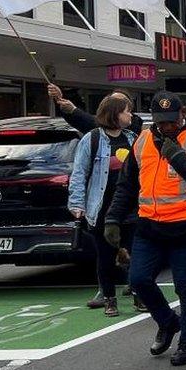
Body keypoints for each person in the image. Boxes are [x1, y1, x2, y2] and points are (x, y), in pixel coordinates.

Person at [105, 91, 186, 366]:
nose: (166, 126)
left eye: (171, 121)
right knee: (138, 280)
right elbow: (127, 185)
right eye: (161, 122)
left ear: (182, 115)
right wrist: (112, 218)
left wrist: (178, 157)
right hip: (150, 225)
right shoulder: (142, 141)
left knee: (185, 288)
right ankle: (168, 322)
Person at [68, 94, 138, 316]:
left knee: (137, 254)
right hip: (101, 209)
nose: (130, 115)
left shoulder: (132, 138)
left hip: (131, 208)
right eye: (127, 111)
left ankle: (138, 294)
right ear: (115, 113)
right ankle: (109, 299)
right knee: (106, 257)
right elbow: (79, 173)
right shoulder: (92, 139)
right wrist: (77, 203)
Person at [47, 83, 144, 136]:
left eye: (120, 103)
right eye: (112, 101)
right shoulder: (92, 140)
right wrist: (59, 99)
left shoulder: (133, 132)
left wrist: (74, 110)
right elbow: (87, 123)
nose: (115, 105)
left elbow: (92, 123)